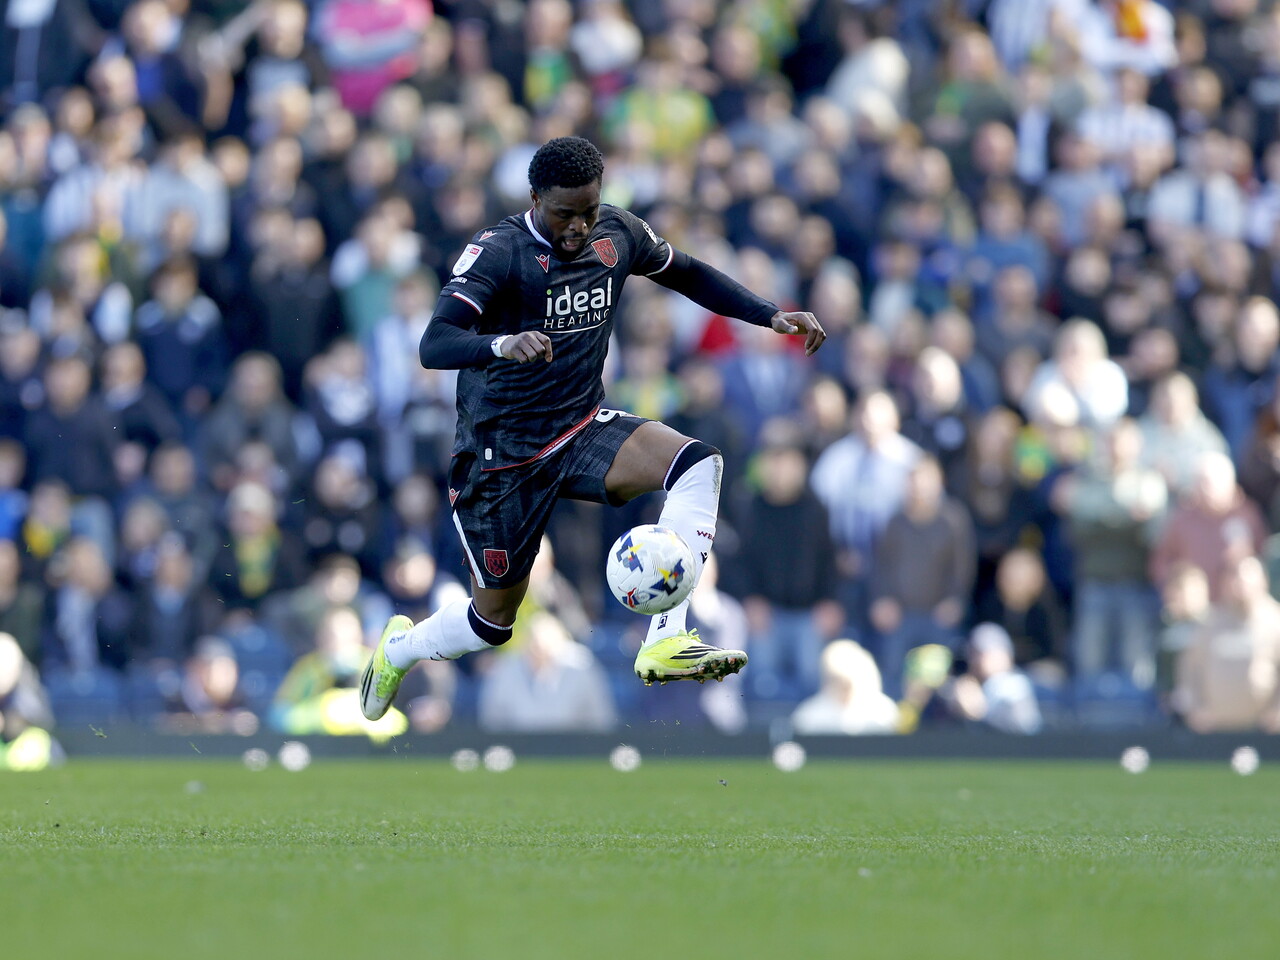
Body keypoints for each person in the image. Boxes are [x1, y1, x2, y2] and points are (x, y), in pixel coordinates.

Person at [359, 137, 826, 721]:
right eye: (564, 214)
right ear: (534, 199)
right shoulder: (499, 252)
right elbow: (433, 344)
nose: (579, 226)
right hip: (501, 455)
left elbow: (688, 273)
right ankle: (399, 649)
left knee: (698, 462)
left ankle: (665, 636)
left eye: (589, 209)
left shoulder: (619, 233)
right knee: (491, 624)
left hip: (580, 427)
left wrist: (769, 314)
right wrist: (500, 343)